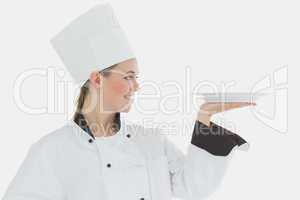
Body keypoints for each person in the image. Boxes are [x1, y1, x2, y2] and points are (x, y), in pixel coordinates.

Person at [2, 3, 255, 200]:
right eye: (129, 77)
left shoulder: (151, 140)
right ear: (97, 79)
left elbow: (192, 188)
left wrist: (205, 116)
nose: (136, 86)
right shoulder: (52, 150)